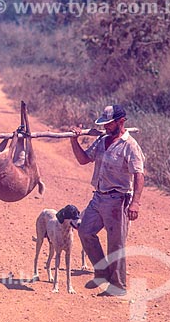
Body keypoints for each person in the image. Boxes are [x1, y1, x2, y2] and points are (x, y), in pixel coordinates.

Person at [70, 104, 145, 296]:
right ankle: (102, 272)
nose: (105, 127)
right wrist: (74, 140)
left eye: (109, 124)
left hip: (118, 200)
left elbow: (138, 175)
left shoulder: (130, 146)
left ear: (121, 122)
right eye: (104, 124)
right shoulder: (102, 140)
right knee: (85, 231)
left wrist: (135, 203)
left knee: (116, 243)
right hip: (99, 197)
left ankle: (117, 285)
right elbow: (84, 159)